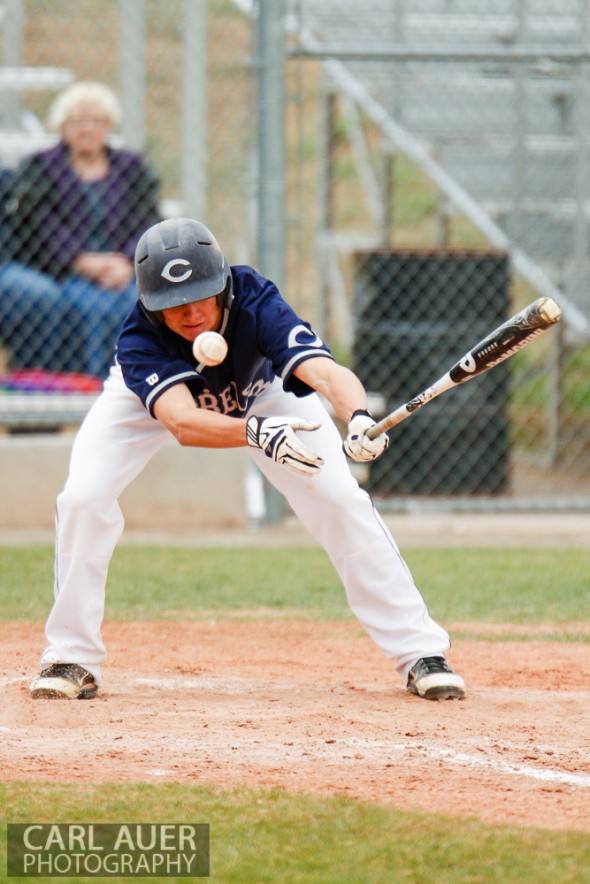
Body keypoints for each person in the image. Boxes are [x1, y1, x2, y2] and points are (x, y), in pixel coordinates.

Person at [29, 217, 466, 703]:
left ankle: (421, 653)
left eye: (200, 295)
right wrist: (255, 435)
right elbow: (183, 422)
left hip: (267, 392)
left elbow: (323, 371)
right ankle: (71, 655)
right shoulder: (140, 340)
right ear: (152, 305)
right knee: (83, 498)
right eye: (173, 305)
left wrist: (358, 417)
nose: (191, 312)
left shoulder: (255, 299)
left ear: (222, 286)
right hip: (151, 404)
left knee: (339, 497)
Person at [0, 81, 160, 377]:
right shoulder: (41, 168)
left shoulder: (131, 167)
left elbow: (147, 221)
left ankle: (132, 386)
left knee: (131, 305)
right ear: (61, 126)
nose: (87, 129)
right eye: (77, 121)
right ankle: (86, 390)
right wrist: (82, 261)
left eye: (96, 121)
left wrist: (125, 262)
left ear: (110, 125)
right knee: (87, 307)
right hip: (67, 269)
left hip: (122, 269)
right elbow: (41, 224)